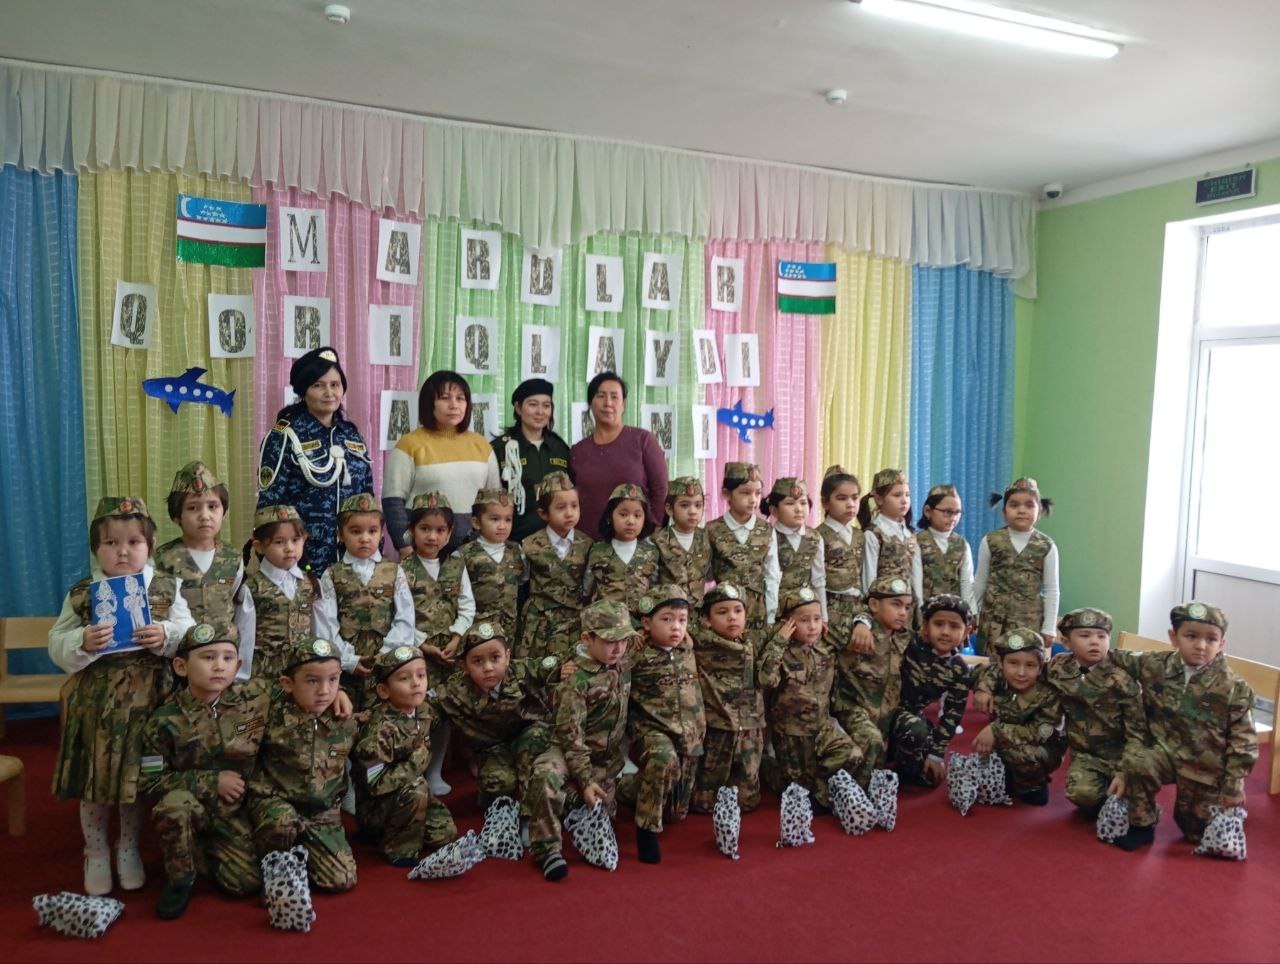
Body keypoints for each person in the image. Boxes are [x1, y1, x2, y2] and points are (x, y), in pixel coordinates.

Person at [48, 496, 195, 896]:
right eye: (111, 543)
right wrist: (81, 641)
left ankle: (128, 846)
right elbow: (56, 643)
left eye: (134, 542)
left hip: (151, 703)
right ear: (96, 549)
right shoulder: (82, 593)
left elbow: (189, 633)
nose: (123, 551)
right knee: (96, 779)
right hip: (98, 707)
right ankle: (95, 850)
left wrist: (165, 635)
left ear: (150, 545)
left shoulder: (166, 586)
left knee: (136, 778)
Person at [140, 623, 266, 919]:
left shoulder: (255, 699)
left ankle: (204, 853)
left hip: (233, 810)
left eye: (227, 658)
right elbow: (149, 781)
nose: (219, 666)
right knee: (174, 806)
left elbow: (301, 693)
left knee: (244, 884)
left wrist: (339, 694)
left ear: (238, 666)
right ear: (181, 667)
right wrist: (211, 781)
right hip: (190, 805)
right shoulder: (164, 720)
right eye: (208, 657)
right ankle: (180, 878)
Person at [1111, 602, 1258, 849]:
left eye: (1211, 639)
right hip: (1164, 753)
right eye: (1191, 636)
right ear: (1174, 637)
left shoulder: (1233, 687)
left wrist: (1234, 784)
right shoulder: (1154, 665)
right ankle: (1142, 824)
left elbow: (1244, 740)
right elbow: (1112, 657)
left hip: (1205, 767)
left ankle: (1210, 813)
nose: (1200, 645)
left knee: (1196, 833)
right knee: (1137, 762)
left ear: (1222, 643)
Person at [527, 600, 636, 881]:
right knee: (545, 775)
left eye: (624, 640)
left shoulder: (623, 661)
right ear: (587, 639)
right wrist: (586, 780)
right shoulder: (576, 682)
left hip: (605, 757)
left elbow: (650, 639)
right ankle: (547, 850)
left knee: (604, 815)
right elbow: (572, 739)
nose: (618, 648)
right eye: (610, 641)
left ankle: (571, 800)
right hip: (569, 749)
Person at [246, 637, 360, 892]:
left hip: (321, 811)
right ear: (288, 684)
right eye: (312, 681)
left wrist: (341, 691)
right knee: (281, 822)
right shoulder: (269, 714)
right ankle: (274, 866)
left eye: (333, 680)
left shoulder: (343, 719)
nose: (324, 691)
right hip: (276, 802)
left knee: (341, 880)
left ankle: (302, 849)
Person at [257, 347, 373, 575]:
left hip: (353, 558)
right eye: (319, 385)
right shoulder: (284, 436)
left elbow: (368, 498)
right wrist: (276, 560)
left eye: (335, 384)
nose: (329, 393)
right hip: (302, 559)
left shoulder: (352, 435)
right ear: (304, 390)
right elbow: (270, 505)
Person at [759, 586, 875, 811]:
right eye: (804, 620)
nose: (813, 626)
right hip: (791, 733)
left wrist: (862, 624)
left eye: (817, 618)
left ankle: (821, 799)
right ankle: (767, 765)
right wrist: (779, 640)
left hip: (821, 727)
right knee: (794, 787)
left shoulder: (826, 644)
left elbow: (853, 629)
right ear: (787, 623)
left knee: (851, 754)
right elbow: (765, 679)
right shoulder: (781, 650)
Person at [617, 585, 705, 864]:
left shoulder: (687, 648)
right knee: (664, 759)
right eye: (666, 619)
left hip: (688, 734)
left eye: (682, 620)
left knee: (676, 814)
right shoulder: (636, 655)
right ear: (646, 623)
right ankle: (646, 830)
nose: (676, 627)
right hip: (651, 730)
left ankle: (625, 789)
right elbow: (608, 668)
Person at [433, 621, 559, 816]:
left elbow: (555, 666)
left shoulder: (521, 671)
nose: (488, 667)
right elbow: (428, 708)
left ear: (507, 657)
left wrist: (566, 667)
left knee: (537, 738)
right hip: (492, 748)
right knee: (499, 783)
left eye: (495, 658)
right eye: (478, 661)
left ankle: (529, 812)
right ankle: (494, 793)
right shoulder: (454, 691)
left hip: (525, 737)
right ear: (464, 666)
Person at [351, 645, 457, 866]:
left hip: (409, 797)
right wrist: (414, 764)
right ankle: (397, 848)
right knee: (417, 787)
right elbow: (374, 783)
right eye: (404, 678)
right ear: (383, 691)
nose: (416, 683)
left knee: (445, 833)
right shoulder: (380, 730)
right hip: (377, 806)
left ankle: (398, 829)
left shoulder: (423, 710)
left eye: (421, 675)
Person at [314, 493, 417, 709]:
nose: (364, 538)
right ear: (340, 534)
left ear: (381, 534)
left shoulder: (394, 571)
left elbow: (405, 617)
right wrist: (348, 660)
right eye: (355, 531)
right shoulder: (331, 575)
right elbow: (325, 624)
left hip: (386, 667)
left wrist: (386, 654)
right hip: (345, 668)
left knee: (383, 715)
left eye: (372, 531)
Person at [383, 369, 501, 552]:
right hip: (423, 549)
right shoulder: (409, 445)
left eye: (460, 398)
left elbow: (493, 502)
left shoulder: (482, 445)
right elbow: (393, 502)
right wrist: (404, 546)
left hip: (474, 550)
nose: (454, 405)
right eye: (445, 398)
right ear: (429, 403)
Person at [689, 584, 767, 814]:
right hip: (718, 730)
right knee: (704, 804)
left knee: (747, 803)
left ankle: (771, 770)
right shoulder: (699, 643)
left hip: (749, 729)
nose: (732, 617)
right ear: (707, 620)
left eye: (738, 610)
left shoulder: (755, 641)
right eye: (722, 612)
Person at [840, 576, 928, 772]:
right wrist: (862, 621)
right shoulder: (854, 631)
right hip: (854, 711)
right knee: (871, 741)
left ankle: (907, 775)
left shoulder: (905, 636)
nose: (903, 612)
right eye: (896, 604)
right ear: (874, 604)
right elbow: (838, 614)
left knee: (918, 729)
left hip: (889, 712)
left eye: (907, 607)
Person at [971, 629, 1066, 806]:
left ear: (1040, 668)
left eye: (1030, 665)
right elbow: (980, 671)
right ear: (1001, 664)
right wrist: (982, 688)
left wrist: (995, 730)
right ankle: (1009, 776)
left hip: (1042, 748)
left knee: (1022, 754)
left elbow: (1041, 732)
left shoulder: (1049, 694)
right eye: (1013, 663)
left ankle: (1034, 786)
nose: (1021, 672)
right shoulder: (998, 678)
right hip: (1006, 742)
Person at [569, 372, 668, 540]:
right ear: (590, 403)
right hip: (588, 543)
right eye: (601, 396)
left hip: (636, 542)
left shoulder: (643, 440)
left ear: (623, 404)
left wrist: (654, 529)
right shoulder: (578, 451)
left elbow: (661, 489)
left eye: (614, 397)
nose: (608, 403)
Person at [974, 477, 1059, 654]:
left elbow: (1051, 589)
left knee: (1024, 665)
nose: (1021, 510)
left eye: (1029, 505)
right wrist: (973, 613)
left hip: (1029, 624)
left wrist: (1049, 628)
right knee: (990, 664)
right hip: (993, 622)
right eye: (1014, 505)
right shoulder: (991, 540)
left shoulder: (1046, 546)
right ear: (1004, 511)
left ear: (1040, 511)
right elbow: (980, 581)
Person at [234, 506, 319, 682]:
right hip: (264, 677)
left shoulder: (312, 584)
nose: (289, 548)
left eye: (295, 540)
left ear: (304, 540)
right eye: (279, 542)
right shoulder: (251, 588)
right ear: (259, 546)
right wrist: (241, 679)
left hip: (304, 677)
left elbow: (319, 632)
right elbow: (245, 636)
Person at [154, 461, 242, 627]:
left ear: (224, 513)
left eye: (212, 506)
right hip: (180, 642)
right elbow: (157, 612)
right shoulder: (162, 559)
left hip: (224, 643)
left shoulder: (233, 557)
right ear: (177, 516)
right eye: (193, 508)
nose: (205, 516)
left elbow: (238, 607)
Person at [899, 594, 974, 786]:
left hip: (909, 716)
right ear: (925, 626)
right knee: (915, 731)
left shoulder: (959, 669)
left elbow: (952, 715)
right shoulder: (908, 643)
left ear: (966, 632)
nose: (945, 632)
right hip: (883, 711)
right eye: (938, 624)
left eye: (954, 626)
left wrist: (936, 755)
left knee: (928, 778)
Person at [519, 471, 593, 661]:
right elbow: (522, 580)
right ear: (543, 513)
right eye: (560, 507)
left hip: (574, 623)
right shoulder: (529, 545)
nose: (569, 513)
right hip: (539, 625)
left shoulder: (587, 545)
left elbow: (588, 585)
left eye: (574, 506)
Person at [492, 378, 572, 544]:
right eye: (533, 404)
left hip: (556, 543)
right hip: (514, 542)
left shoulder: (560, 448)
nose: (540, 412)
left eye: (546, 406)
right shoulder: (500, 449)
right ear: (518, 408)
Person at [399, 492, 474, 664]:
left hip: (454, 652)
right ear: (412, 529)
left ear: (449, 532)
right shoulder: (401, 570)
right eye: (424, 529)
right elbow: (400, 615)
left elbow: (467, 606)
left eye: (440, 530)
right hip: (417, 656)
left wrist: (457, 637)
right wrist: (423, 645)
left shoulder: (457, 565)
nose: (432, 537)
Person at [706, 461, 781, 632]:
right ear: (727, 494)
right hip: (725, 612)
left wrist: (771, 614)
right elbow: (705, 575)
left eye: (758, 493)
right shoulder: (712, 529)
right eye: (745, 493)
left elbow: (772, 574)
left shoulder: (766, 530)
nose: (753, 499)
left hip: (757, 612)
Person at [456, 487, 526, 638]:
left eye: (508, 519)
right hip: (477, 633)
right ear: (476, 523)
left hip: (510, 633)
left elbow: (521, 579)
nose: (502, 526)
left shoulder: (516, 551)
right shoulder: (463, 554)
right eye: (494, 519)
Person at [584, 482, 660, 609]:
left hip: (641, 618)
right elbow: (587, 589)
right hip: (606, 618)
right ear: (609, 517)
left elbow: (655, 589)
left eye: (637, 515)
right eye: (623, 514)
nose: (631, 521)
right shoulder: (597, 551)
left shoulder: (652, 552)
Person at [764, 477, 827, 622]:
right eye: (790, 503)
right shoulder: (768, 536)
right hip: (778, 610)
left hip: (806, 610)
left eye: (803, 503)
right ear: (774, 510)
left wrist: (823, 617)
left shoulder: (815, 537)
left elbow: (818, 580)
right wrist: (770, 618)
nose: (799, 509)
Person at [858, 468, 923, 607]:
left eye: (907, 495)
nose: (904, 500)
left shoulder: (910, 534)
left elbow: (916, 576)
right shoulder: (874, 533)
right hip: (884, 607)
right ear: (879, 499)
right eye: (897, 495)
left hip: (907, 607)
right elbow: (869, 579)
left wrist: (919, 605)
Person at [819, 465, 866, 647]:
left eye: (855, 498)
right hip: (830, 610)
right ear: (825, 502)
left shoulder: (861, 536)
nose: (850, 504)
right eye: (841, 498)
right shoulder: (818, 536)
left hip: (859, 611)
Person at [915, 484, 977, 615]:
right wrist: (919, 614)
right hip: (927, 613)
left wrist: (970, 612)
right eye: (948, 512)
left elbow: (966, 582)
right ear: (928, 511)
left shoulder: (962, 544)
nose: (953, 518)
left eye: (957, 512)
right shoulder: (917, 542)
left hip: (954, 614)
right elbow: (916, 583)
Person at [651, 476, 712, 609]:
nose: (692, 511)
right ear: (669, 509)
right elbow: (651, 582)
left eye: (698, 505)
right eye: (684, 505)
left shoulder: (707, 538)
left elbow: (710, 575)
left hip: (699, 615)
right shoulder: (657, 541)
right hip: (669, 613)